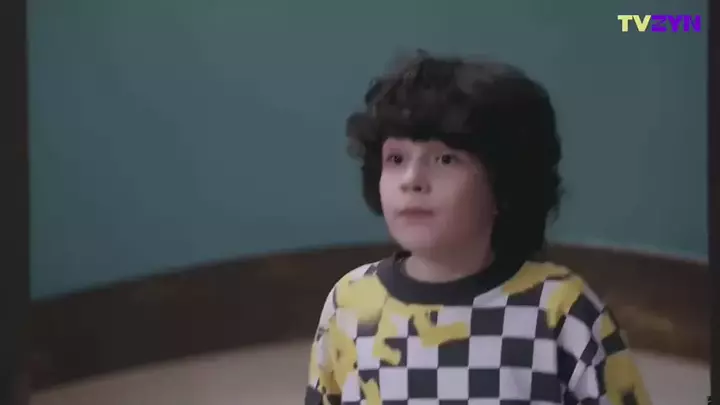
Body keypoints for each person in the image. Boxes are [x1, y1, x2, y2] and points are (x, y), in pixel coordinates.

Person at [304, 51, 651, 405]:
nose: (412, 179)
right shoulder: (349, 301)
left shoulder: (561, 311)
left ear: (505, 182)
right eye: (396, 158)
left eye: (446, 159)